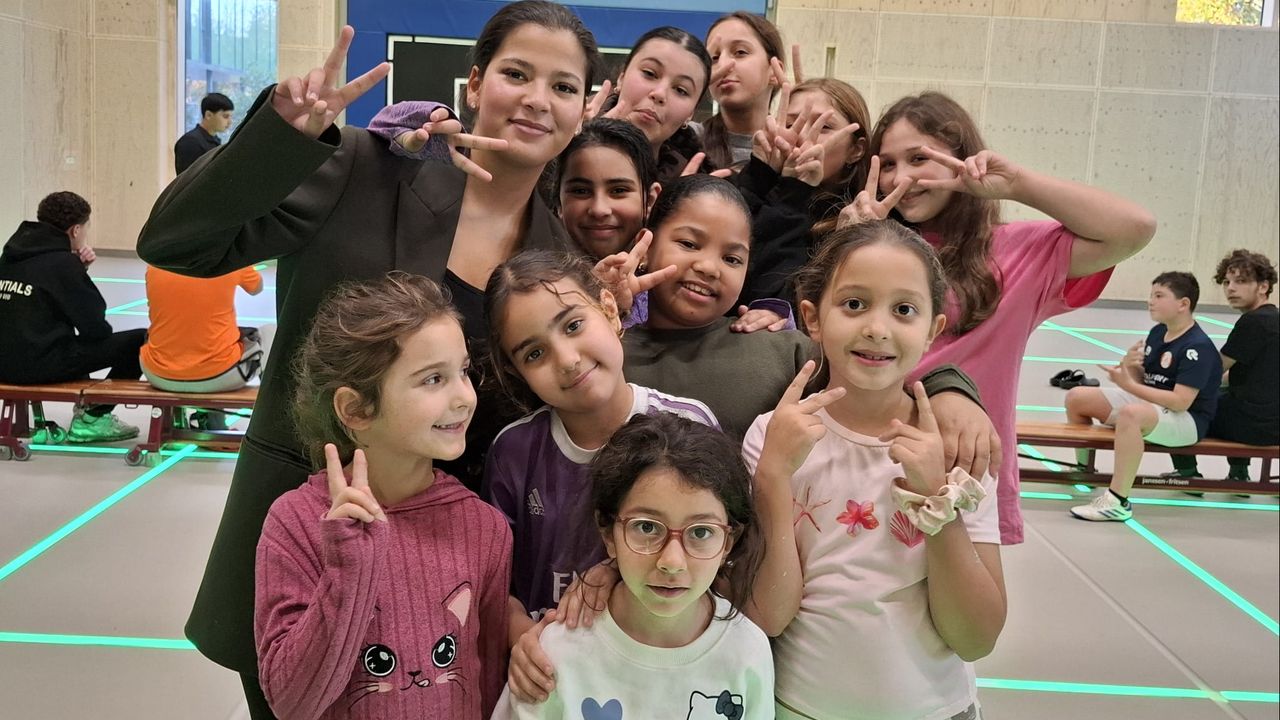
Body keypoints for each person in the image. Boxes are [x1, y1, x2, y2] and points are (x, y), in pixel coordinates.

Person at [136, 3, 598, 715]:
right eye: (517, 73)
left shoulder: (558, 258)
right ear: (473, 83)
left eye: (564, 86)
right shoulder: (364, 167)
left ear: (583, 110)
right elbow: (175, 242)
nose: (538, 99)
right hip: (312, 544)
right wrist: (282, 140)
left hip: (449, 584)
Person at [841, 91, 1157, 543]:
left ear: (961, 160)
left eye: (918, 158)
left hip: (966, 478)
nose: (903, 177)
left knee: (963, 613)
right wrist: (851, 245)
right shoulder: (872, 252)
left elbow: (1135, 226)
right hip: (869, 471)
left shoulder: (1015, 252)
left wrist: (1017, 184)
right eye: (888, 164)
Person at [745, 220, 1005, 720]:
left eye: (903, 310)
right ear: (812, 317)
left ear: (932, 330)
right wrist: (774, 476)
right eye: (854, 304)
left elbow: (977, 638)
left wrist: (937, 498)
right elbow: (770, 616)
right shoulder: (772, 437)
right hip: (800, 707)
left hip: (938, 710)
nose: (877, 329)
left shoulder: (957, 447)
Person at [255, 272, 510, 719]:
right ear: (356, 409)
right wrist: (348, 566)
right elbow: (292, 703)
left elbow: (487, 680)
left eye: (463, 372)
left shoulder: (484, 527)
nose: (464, 398)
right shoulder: (294, 523)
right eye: (433, 379)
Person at [483, 250, 718, 631]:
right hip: (550, 666)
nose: (567, 359)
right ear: (517, 371)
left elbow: (716, 553)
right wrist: (520, 638)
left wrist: (616, 573)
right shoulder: (513, 452)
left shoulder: (689, 423)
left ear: (609, 309)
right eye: (535, 353)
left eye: (573, 325)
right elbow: (492, 581)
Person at [494, 412, 774, 720]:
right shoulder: (555, 652)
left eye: (701, 532)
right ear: (607, 532)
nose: (671, 562)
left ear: (728, 542)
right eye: (646, 527)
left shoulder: (748, 651)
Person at [1066, 272, 1222, 521]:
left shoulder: (1197, 347)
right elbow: (1146, 380)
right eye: (1151, 295)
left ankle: (1117, 501)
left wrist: (1127, 383)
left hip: (1188, 420)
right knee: (1077, 397)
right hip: (1155, 407)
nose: (1151, 301)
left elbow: (1180, 401)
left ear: (1183, 304)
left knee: (1131, 415)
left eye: (1159, 296)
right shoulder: (1159, 333)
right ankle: (1084, 471)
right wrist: (1129, 367)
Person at [0, 191, 145, 442]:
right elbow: (96, 329)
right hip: (37, 366)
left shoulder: (10, 256)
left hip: (4, 362)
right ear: (76, 230)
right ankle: (94, 418)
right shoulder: (63, 265)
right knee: (139, 340)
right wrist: (79, 272)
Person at [1166, 249, 1278, 483]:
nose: (1231, 288)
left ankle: (1188, 473)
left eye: (1241, 281)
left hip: (1254, 427)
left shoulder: (1254, 322)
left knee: (1175, 401)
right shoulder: (1273, 318)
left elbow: (1212, 370)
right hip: (1273, 419)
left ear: (1263, 287)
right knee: (1227, 395)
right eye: (1227, 282)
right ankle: (1238, 474)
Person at [139, 265, 264, 394]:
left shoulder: (154, 264)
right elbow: (257, 287)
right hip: (220, 376)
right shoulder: (229, 259)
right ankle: (274, 407)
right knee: (268, 333)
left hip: (158, 375)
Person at [702, 11, 789, 171]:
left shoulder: (790, 150)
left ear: (775, 71)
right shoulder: (686, 140)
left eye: (740, 52)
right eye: (714, 58)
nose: (723, 64)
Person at [175, 92, 234, 174]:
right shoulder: (190, 142)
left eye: (231, 117)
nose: (230, 122)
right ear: (208, 115)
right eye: (225, 116)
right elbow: (187, 182)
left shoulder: (215, 141)